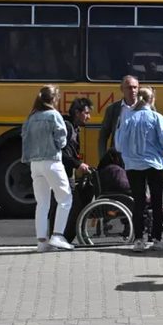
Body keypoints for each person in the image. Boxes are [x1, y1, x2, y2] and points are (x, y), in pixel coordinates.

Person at [116, 87, 163, 252]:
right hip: (153, 164)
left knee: (139, 202)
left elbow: (119, 144)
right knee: (157, 202)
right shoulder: (156, 117)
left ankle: (138, 240)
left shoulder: (127, 118)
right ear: (152, 100)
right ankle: (157, 239)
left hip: (133, 165)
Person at [20, 85, 75, 253]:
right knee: (65, 199)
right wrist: (57, 145)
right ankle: (58, 235)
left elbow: (24, 138)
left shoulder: (31, 117)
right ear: (54, 99)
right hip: (52, 161)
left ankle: (42, 241)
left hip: (35, 164)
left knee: (42, 203)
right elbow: (62, 140)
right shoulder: (54, 115)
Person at [63, 149, 130, 242]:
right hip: (120, 203)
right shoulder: (115, 170)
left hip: (111, 203)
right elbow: (124, 187)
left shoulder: (105, 170)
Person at [49, 98, 92, 237]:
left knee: (65, 204)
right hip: (62, 173)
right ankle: (60, 236)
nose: (89, 116)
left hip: (66, 172)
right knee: (71, 204)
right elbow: (62, 154)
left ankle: (59, 236)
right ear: (77, 112)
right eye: (86, 113)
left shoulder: (73, 128)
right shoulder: (67, 127)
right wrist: (78, 164)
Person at [99, 75, 140, 157]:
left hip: (139, 160)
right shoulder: (113, 109)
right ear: (122, 89)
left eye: (135, 87)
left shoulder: (146, 108)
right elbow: (103, 136)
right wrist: (102, 157)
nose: (133, 90)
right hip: (119, 159)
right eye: (129, 88)